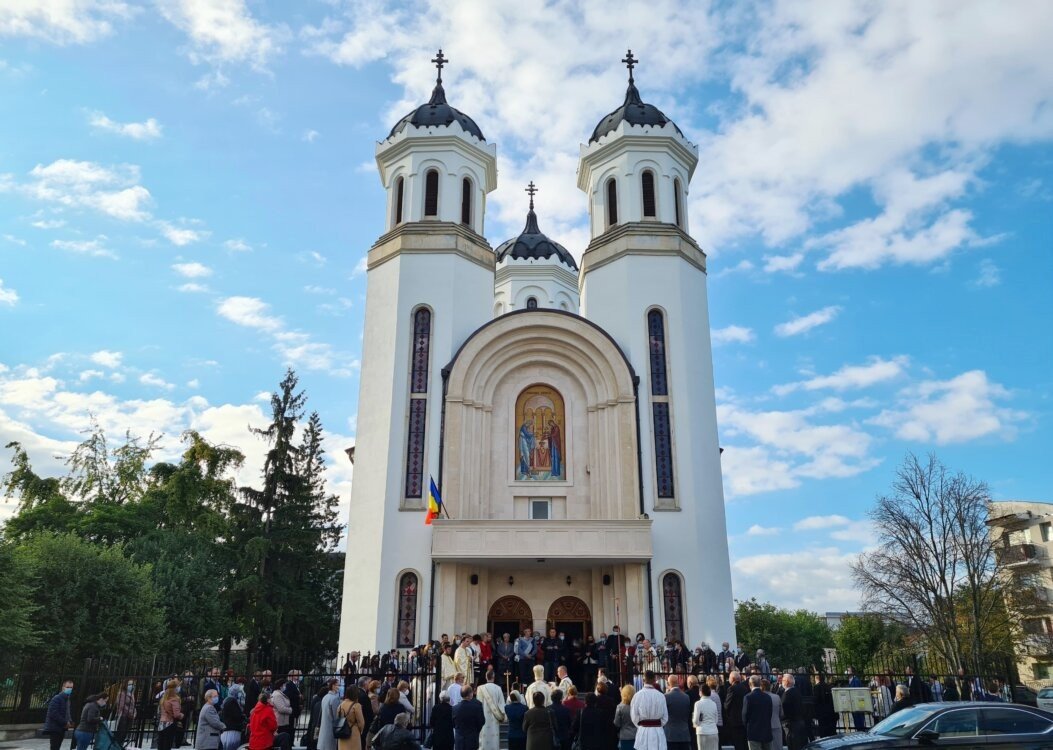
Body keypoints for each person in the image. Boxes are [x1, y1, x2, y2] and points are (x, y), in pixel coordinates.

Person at [630, 671, 669, 750]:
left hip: (643, 731)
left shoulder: (637, 696)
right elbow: (665, 717)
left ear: (643, 680)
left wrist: (642, 725)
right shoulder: (661, 696)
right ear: (654, 680)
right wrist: (656, 724)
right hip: (658, 731)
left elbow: (634, 716)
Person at [477, 671, 506, 750]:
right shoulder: (498, 688)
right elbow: (502, 705)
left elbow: (478, 705)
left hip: (483, 719)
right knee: (494, 741)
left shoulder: (480, 688)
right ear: (494, 677)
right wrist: (503, 716)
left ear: (486, 677)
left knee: (484, 741)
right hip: (494, 720)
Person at [742, 676, 773, 750]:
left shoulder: (748, 697)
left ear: (750, 684)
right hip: (766, 731)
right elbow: (770, 714)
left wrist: (748, 726)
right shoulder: (767, 697)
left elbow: (745, 716)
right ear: (760, 684)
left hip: (753, 732)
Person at [43, 680, 74, 750]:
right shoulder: (57, 698)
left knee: (57, 746)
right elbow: (53, 713)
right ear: (63, 687)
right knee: (55, 747)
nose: (70, 689)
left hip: (62, 727)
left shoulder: (67, 699)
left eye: (71, 687)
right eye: (68, 687)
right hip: (55, 727)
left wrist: (70, 721)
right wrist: (65, 722)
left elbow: (67, 712)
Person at [453, 686, 486, 750]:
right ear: (471, 694)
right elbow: (482, 721)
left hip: (459, 740)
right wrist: (475, 731)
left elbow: (453, 723)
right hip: (472, 738)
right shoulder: (476, 707)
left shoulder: (454, 708)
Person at [664, 675, 691, 750]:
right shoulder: (686, 697)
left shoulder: (666, 696)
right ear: (678, 683)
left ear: (668, 684)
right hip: (684, 734)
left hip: (670, 735)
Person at [723, 672, 748, 750]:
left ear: (732, 679)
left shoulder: (731, 688)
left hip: (734, 721)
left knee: (737, 743)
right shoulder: (745, 688)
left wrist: (727, 714)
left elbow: (727, 705)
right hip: (744, 720)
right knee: (744, 743)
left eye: (729, 678)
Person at [779, 675, 805, 750]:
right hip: (798, 721)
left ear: (787, 682)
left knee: (792, 744)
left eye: (783, 680)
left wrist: (782, 719)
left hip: (790, 723)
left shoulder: (787, 693)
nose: (782, 682)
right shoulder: (796, 691)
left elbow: (785, 709)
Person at [158, 679, 185, 750]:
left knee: (161, 745)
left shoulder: (164, 698)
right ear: (175, 688)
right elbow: (176, 714)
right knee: (167, 745)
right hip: (170, 723)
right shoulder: (175, 699)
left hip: (162, 723)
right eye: (178, 686)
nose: (179, 688)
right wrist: (182, 715)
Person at [319, 678, 343, 750]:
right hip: (331, 730)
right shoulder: (334, 699)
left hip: (324, 729)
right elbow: (336, 716)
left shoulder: (325, 697)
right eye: (338, 685)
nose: (339, 687)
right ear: (333, 686)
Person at [692, 684, 718, 750]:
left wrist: (697, 724)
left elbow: (695, 720)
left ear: (701, 692)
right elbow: (716, 719)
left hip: (702, 731)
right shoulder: (714, 704)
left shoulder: (698, 704)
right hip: (713, 731)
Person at [613, 685, 637, 750]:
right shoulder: (636, 707)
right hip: (636, 735)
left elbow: (617, 723)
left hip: (624, 736)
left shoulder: (620, 707)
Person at [114, 679, 137, 746]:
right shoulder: (122, 693)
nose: (132, 686)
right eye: (130, 684)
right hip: (123, 716)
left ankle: (120, 746)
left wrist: (135, 712)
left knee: (125, 734)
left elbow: (133, 705)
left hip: (129, 717)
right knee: (120, 734)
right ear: (125, 685)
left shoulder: (131, 694)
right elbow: (122, 706)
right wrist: (131, 713)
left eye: (133, 684)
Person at [761, 680, 781, 750]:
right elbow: (781, 713)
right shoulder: (777, 697)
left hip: (763, 726)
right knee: (777, 747)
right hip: (776, 724)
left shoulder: (759, 698)